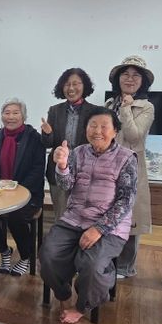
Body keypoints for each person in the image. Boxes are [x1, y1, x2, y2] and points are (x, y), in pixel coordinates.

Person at [40, 107, 137, 323]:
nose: (97, 131)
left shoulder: (126, 158)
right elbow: (66, 185)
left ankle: (82, 306)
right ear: (86, 130)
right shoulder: (78, 152)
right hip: (74, 219)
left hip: (109, 227)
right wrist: (62, 166)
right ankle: (63, 293)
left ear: (115, 131)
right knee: (47, 254)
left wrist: (99, 229)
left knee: (92, 266)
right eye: (93, 126)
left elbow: (126, 200)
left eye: (104, 126)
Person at [0, 98, 46, 276]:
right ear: (2, 116)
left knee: (16, 216)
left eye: (15, 113)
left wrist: (17, 189)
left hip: (28, 193)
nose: (10, 117)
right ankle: (4, 250)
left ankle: (25, 256)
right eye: (7, 113)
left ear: (23, 116)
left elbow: (38, 169)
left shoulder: (34, 137)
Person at [105, 55, 155, 279]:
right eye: (125, 74)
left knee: (130, 215)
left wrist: (126, 108)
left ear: (143, 81)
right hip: (108, 166)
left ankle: (126, 266)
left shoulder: (146, 106)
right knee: (108, 211)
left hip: (130, 168)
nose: (130, 78)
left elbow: (134, 136)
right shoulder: (109, 104)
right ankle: (108, 260)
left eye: (136, 75)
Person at [40, 68, 98, 221]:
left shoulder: (95, 111)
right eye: (67, 84)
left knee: (84, 216)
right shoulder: (55, 111)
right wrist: (47, 133)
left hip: (85, 171)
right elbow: (48, 144)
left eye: (76, 84)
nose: (71, 88)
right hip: (58, 169)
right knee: (61, 215)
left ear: (84, 86)